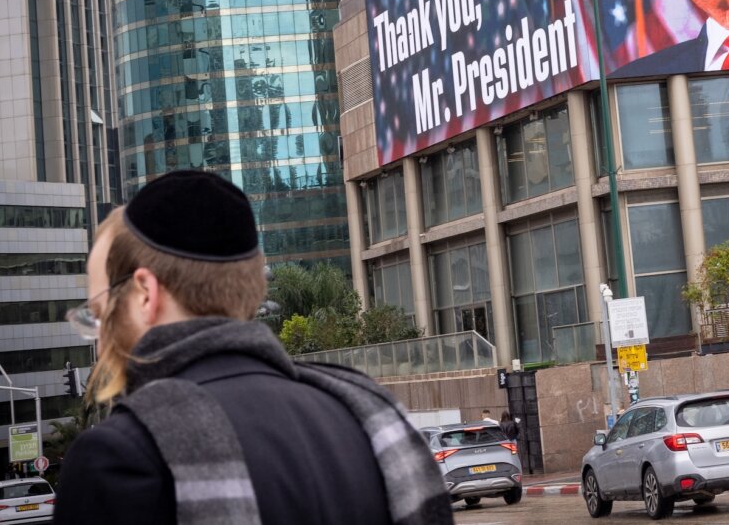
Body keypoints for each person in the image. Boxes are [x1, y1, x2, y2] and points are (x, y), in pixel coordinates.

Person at [54, 170, 451, 525]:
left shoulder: (120, 458)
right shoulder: (371, 417)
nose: (102, 336)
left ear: (145, 293)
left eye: (100, 311)